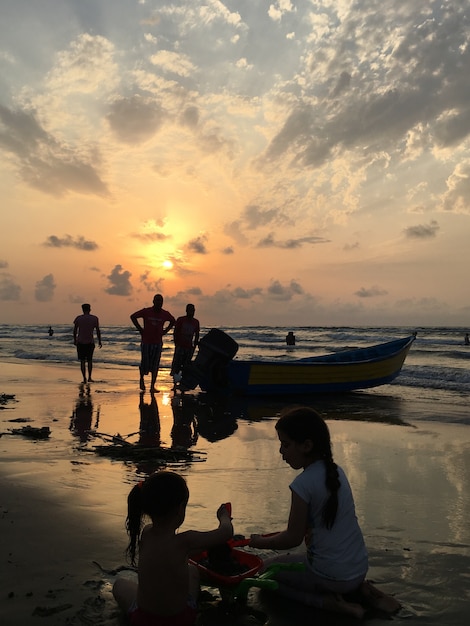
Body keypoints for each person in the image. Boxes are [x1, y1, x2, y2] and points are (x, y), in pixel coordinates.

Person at [249, 406, 401, 619]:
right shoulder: (337, 472)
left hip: (331, 575)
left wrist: (258, 542)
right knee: (301, 562)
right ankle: (360, 590)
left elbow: (292, 538)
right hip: (358, 569)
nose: (281, 451)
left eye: (285, 444)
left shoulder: (302, 485)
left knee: (264, 573)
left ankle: (330, 604)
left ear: (307, 445)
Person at [112, 471, 233, 626]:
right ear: (180, 508)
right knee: (192, 571)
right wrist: (224, 517)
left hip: (143, 620)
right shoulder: (186, 541)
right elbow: (226, 533)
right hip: (180, 620)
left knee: (119, 585)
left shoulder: (146, 533)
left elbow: (167, 555)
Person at [131, 294, 176, 393]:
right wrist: (140, 329)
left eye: (161, 301)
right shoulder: (146, 311)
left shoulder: (165, 313)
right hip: (146, 342)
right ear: (153, 301)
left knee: (155, 365)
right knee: (145, 363)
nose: (159, 303)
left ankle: (152, 386)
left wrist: (165, 331)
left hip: (157, 343)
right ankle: (142, 379)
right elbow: (133, 316)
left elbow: (173, 321)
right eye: (157, 300)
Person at [170, 304, 200, 385]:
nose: (192, 312)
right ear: (186, 310)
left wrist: (194, 346)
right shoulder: (180, 320)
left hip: (189, 347)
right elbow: (175, 332)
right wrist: (176, 343)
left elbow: (197, 334)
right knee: (177, 364)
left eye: (193, 310)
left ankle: (183, 382)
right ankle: (174, 383)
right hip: (180, 346)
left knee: (186, 366)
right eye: (190, 310)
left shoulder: (196, 322)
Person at [73, 303, 102, 383]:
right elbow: (97, 330)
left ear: (82, 309)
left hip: (80, 341)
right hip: (90, 341)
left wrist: (75, 340)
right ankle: (89, 377)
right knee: (89, 360)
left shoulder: (78, 318)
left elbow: (75, 330)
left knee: (82, 361)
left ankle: (84, 378)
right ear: (90, 309)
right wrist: (99, 340)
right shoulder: (94, 318)